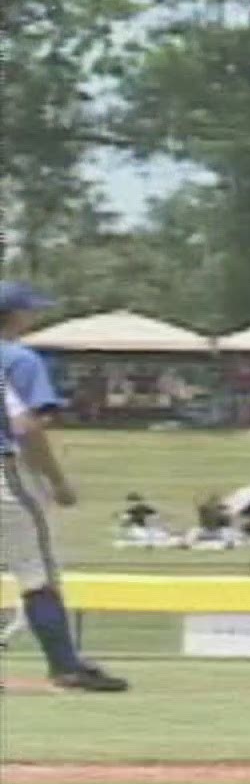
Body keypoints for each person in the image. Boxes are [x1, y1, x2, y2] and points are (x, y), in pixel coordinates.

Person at [0, 281, 130, 692]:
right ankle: (65, 665)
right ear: (15, 316)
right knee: (36, 572)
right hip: (6, 475)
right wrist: (57, 481)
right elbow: (26, 427)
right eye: (30, 311)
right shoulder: (20, 359)